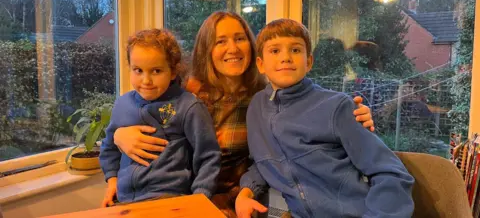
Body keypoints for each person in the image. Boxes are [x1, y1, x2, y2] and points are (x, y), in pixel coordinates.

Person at [112, 11, 375, 216]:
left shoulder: (264, 96)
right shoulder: (187, 93)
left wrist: (354, 113)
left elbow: (308, 104)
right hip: (187, 193)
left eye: (239, 39)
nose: (233, 49)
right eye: (220, 41)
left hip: (249, 192)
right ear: (207, 49)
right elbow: (142, 108)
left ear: (252, 49)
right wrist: (117, 136)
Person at [235, 18, 414, 218]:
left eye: (295, 50)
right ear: (260, 64)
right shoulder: (257, 108)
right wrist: (246, 191)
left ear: (309, 61)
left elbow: (391, 173)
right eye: (275, 51)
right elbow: (265, 161)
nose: (285, 57)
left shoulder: (337, 106)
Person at [99, 29, 221, 207]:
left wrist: (200, 197)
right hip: (124, 201)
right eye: (138, 70)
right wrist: (112, 181)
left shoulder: (188, 106)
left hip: (170, 199)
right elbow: (109, 147)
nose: (146, 80)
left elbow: (209, 156)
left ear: (172, 72)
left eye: (156, 71)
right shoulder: (122, 104)